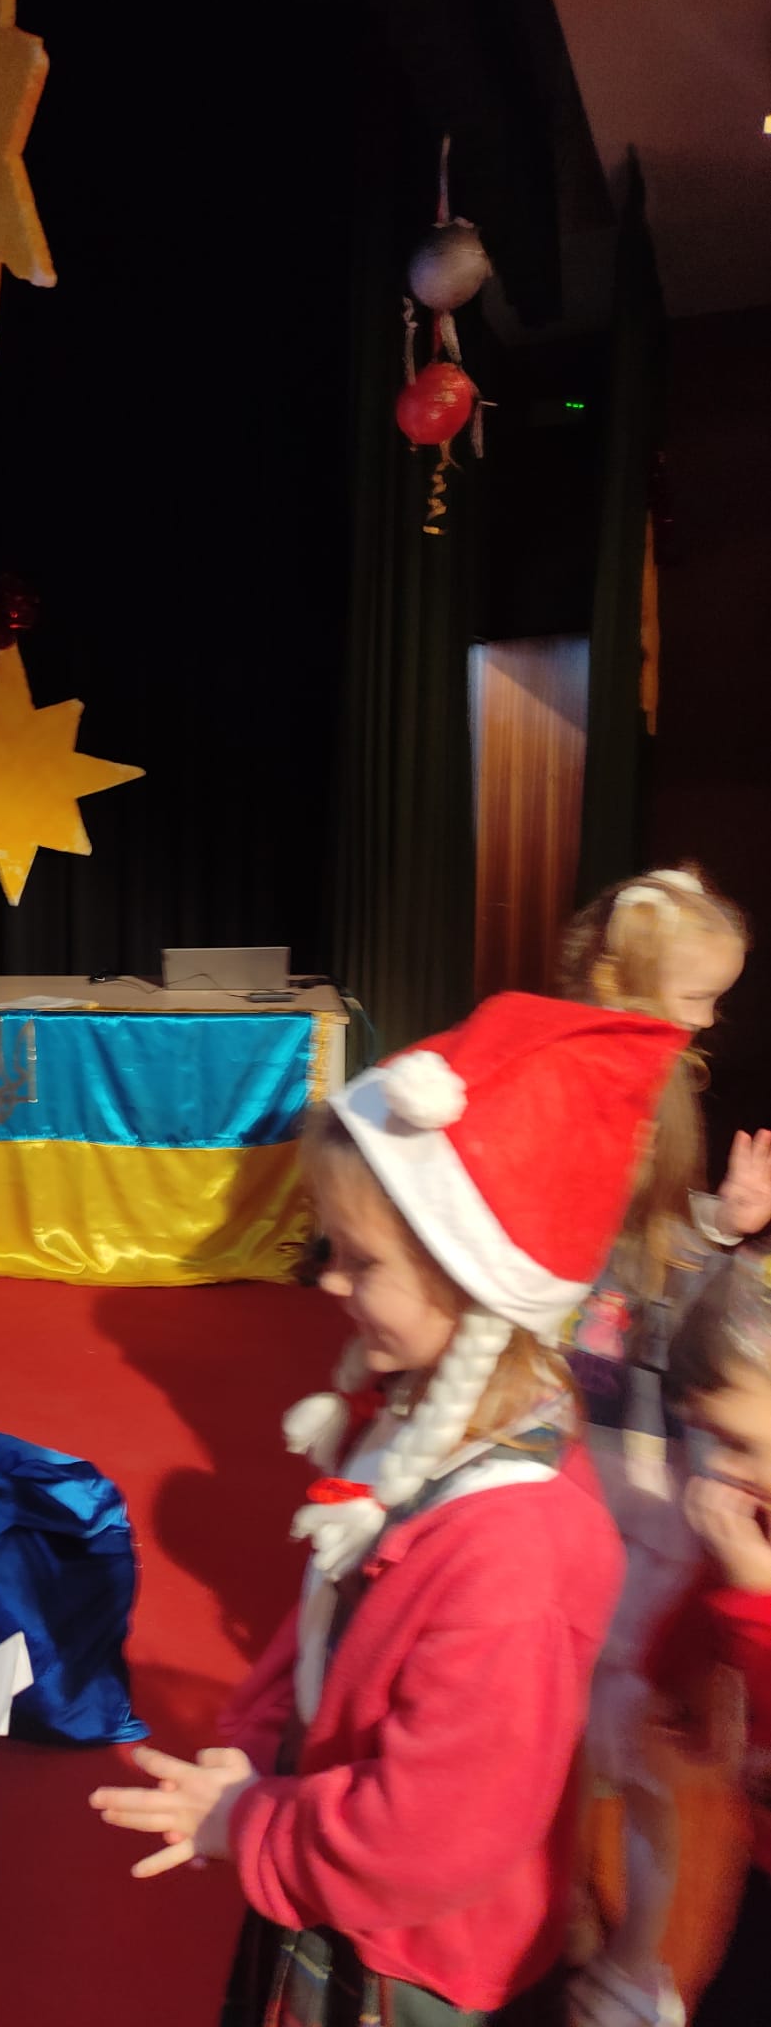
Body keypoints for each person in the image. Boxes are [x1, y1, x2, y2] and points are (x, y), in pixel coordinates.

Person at [89, 992, 687, 2024]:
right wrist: (258, 1735)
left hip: (410, 1959)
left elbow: (427, 1841)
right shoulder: (417, 1412)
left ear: (471, 1283)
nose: (328, 1283)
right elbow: (332, 1598)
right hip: (329, 1854)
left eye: (360, 1261)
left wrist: (253, 1821)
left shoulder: (516, 1554)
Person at [555, 865, 771, 2027]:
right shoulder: (598, 1093)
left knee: (617, 1729)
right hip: (596, 1447)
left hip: (632, 1454)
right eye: (697, 995)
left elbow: (636, 1267)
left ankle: (630, 1959)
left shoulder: (651, 1086)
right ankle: (609, 1944)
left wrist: (714, 1230)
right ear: (632, 984)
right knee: (598, 1723)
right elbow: (601, 1271)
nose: (710, 1020)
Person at [645, 1246, 771, 2025]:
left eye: (736, 1444)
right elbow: (701, 1603)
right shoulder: (749, 1510)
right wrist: (676, 1686)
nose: (716, 1471)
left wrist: (755, 1591)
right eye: (703, 1439)